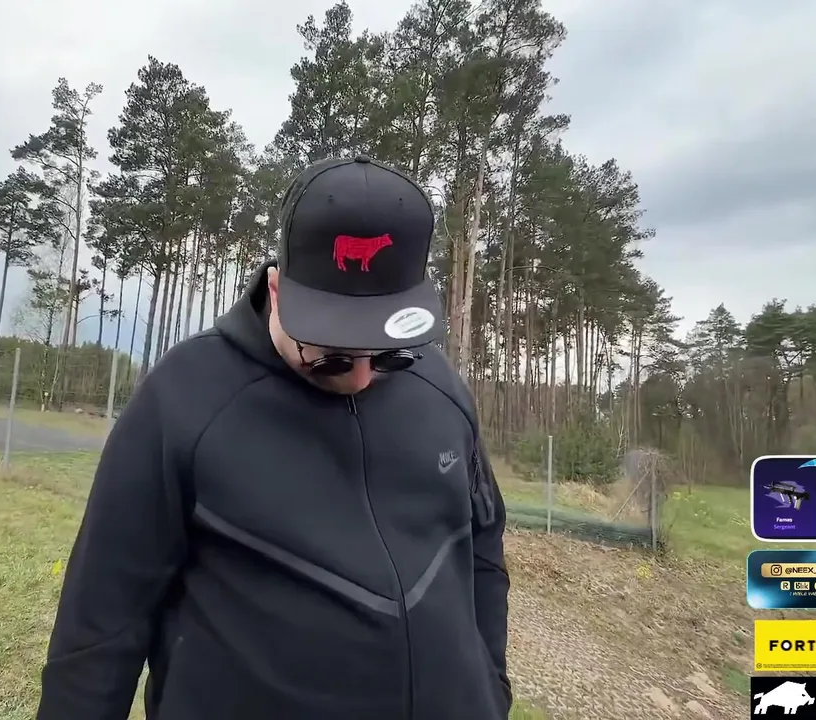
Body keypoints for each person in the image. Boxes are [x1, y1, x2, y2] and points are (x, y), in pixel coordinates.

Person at [38, 156, 511, 720]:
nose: (361, 377)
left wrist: (490, 688)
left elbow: (482, 543)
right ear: (277, 289)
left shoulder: (442, 388)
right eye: (333, 354)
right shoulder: (185, 398)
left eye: (388, 353)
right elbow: (99, 625)